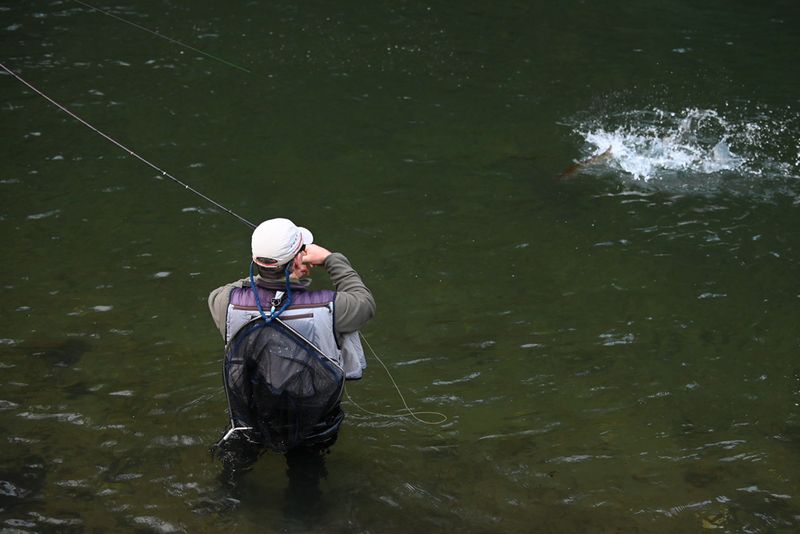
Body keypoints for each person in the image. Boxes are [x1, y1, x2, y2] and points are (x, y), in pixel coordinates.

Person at [207, 217, 375, 479]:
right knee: (306, 479)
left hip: (251, 416)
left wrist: (267, 271)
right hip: (313, 421)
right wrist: (332, 259)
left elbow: (235, 288)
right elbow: (364, 302)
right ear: (299, 261)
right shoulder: (329, 308)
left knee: (235, 472)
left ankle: (227, 500)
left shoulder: (223, 302)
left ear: (256, 260)